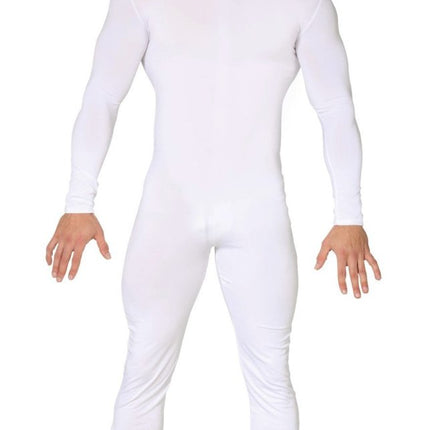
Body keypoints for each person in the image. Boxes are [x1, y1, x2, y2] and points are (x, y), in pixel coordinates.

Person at [45, 0, 382, 428]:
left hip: (257, 214)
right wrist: (78, 203)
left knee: (271, 379)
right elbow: (103, 95)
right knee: (143, 372)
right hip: (170, 212)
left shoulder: (304, 4)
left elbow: (335, 107)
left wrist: (349, 215)